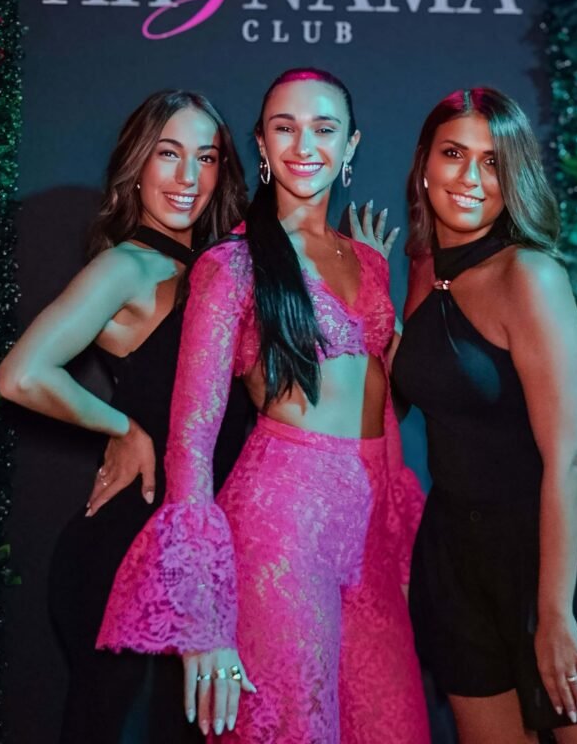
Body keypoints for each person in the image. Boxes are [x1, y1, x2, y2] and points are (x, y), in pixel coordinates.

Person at [98, 68, 431, 744]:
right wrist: (204, 621)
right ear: (261, 143)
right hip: (281, 527)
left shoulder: (367, 262)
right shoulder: (232, 264)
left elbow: (382, 407)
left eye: (324, 129)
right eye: (285, 128)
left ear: (351, 146)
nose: (304, 146)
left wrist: (397, 545)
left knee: (392, 727)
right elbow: (192, 439)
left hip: (369, 529)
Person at [392, 87, 577, 744]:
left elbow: (567, 457)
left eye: (493, 162)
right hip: (457, 560)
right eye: (454, 154)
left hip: (554, 557)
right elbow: (416, 385)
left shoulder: (529, 276)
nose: (471, 178)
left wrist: (555, 612)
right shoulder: (423, 268)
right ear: (424, 163)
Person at [0, 90, 250, 744]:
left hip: (198, 551)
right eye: (169, 154)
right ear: (137, 165)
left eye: (206, 158)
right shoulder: (128, 265)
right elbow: (22, 375)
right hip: (131, 550)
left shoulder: (223, 268)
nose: (188, 177)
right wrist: (123, 429)